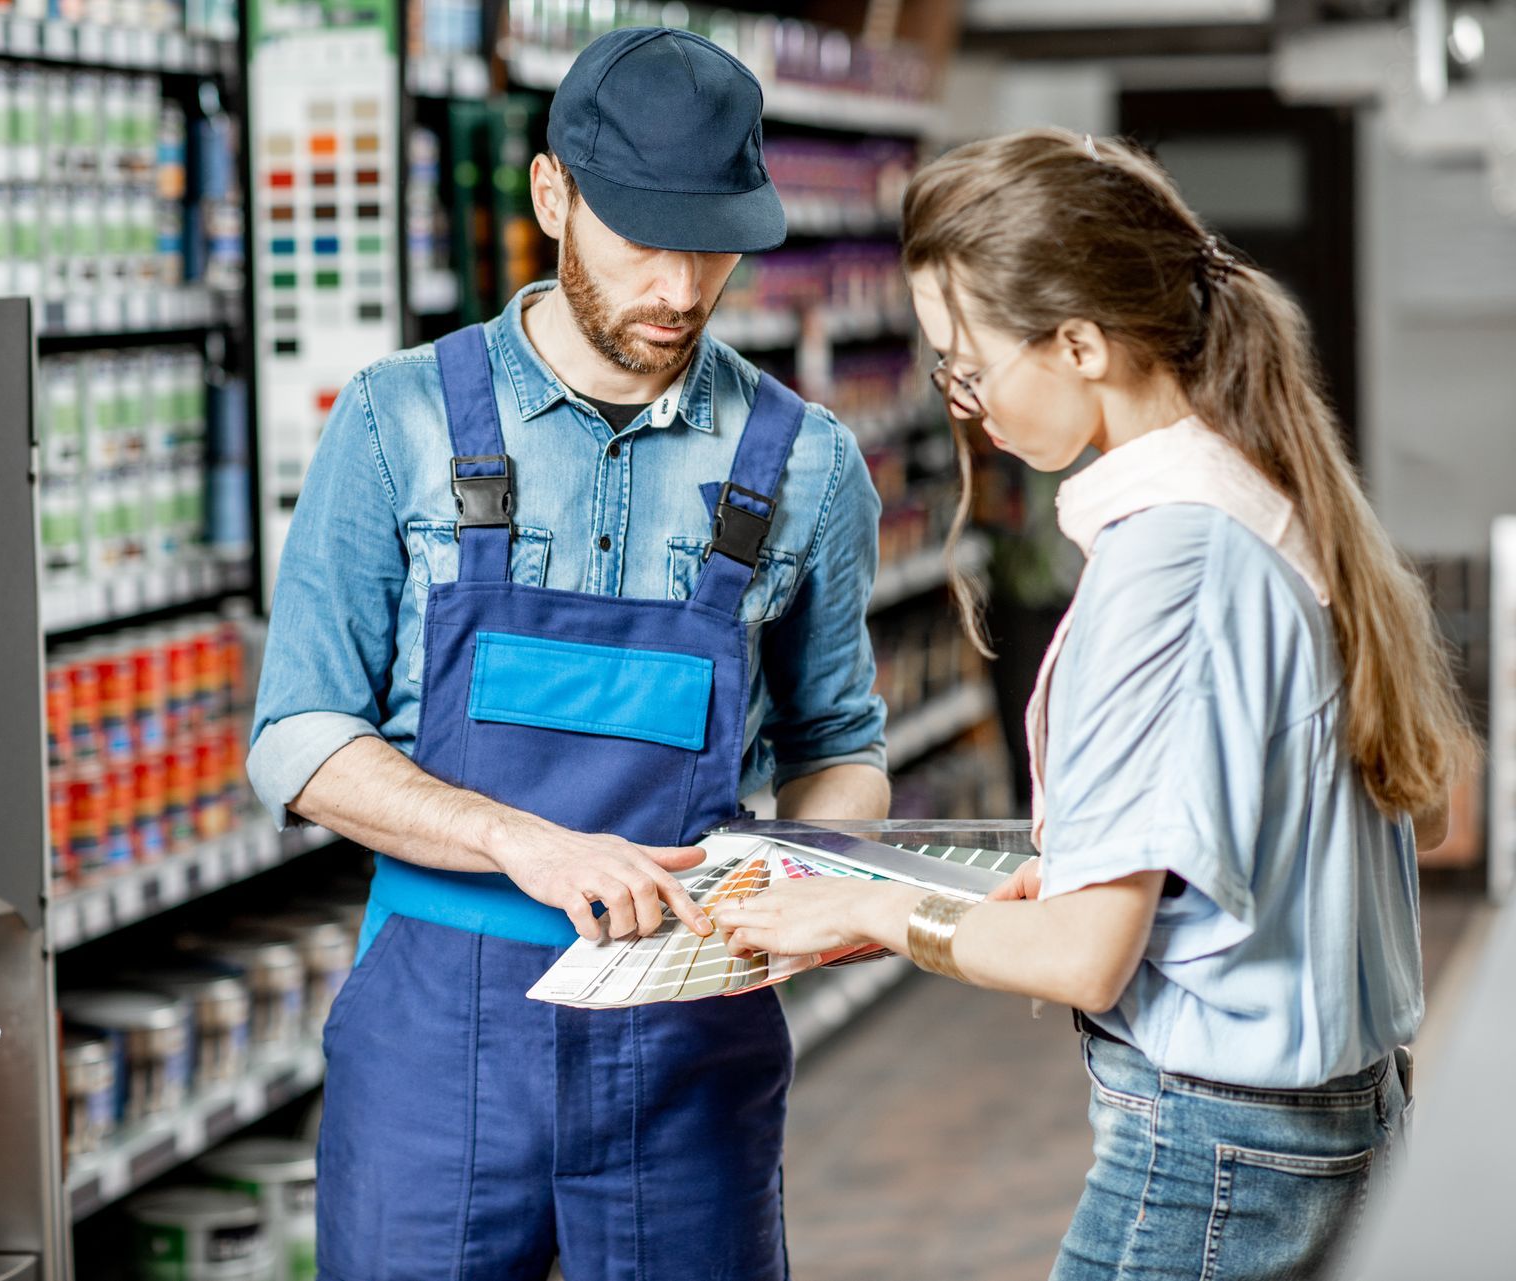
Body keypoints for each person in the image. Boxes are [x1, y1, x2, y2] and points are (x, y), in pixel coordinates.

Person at [711, 128, 1472, 1281]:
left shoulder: (1168, 568)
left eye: (968, 364)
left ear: (1077, 342)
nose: (964, 406)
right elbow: (1378, 823)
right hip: (1332, 1128)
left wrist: (863, 915)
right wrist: (1090, 867)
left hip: (1218, 1156)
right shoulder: (1265, 497)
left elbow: (1082, 960)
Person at [247, 27, 891, 1280]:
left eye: (714, 244)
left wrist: (810, 870)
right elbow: (300, 738)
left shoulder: (807, 466)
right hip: (439, 1040)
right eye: (643, 234)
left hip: (687, 1039)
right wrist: (523, 844)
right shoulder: (401, 421)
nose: (681, 284)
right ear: (553, 195)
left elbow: (840, 747)